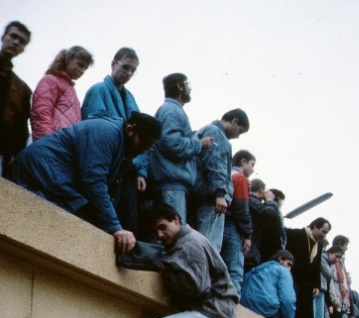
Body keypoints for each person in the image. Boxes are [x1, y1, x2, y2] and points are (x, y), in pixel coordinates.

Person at [13, 112, 161, 254]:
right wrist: (115, 227)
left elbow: (108, 192)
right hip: (41, 166)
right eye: (144, 144)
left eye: (148, 148)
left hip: (54, 171)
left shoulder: (123, 144)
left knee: (90, 218)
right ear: (130, 130)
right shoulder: (107, 132)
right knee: (80, 216)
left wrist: (114, 227)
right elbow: (94, 182)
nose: (143, 151)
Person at [81, 47, 147, 235]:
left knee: (128, 218)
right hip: (107, 164)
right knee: (103, 217)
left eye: (133, 70)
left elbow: (141, 134)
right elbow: (95, 125)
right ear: (113, 63)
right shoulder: (99, 90)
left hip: (127, 169)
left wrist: (141, 171)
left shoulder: (130, 98)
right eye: (125, 67)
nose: (128, 73)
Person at [147, 72, 213, 223]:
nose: (190, 89)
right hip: (171, 186)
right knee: (172, 237)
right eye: (188, 84)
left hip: (171, 185)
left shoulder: (171, 110)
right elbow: (171, 143)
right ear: (180, 86)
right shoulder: (172, 111)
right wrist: (198, 143)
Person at [192, 108, 250, 250]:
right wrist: (220, 194)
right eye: (240, 131)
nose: (238, 137)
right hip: (211, 200)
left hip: (202, 195)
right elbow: (215, 165)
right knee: (208, 247)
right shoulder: (217, 134)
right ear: (234, 121)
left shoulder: (206, 129)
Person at [30, 46, 94, 141]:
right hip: (53, 146)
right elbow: (41, 114)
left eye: (85, 68)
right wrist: (48, 144)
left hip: (66, 147)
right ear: (68, 59)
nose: (82, 71)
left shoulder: (70, 89)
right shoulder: (50, 80)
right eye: (80, 65)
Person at [285, 217, 331, 318]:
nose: (324, 235)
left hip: (305, 286)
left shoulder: (319, 246)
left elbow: (316, 267)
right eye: (323, 231)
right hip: (291, 280)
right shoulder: (295, 234)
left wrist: (316, 284)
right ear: (314, 227)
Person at [220, 149, 255, 294]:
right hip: (234, 228)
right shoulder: (240, 178)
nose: (253, 170)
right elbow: (241, 208)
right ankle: (231, 307)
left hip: (221, 222)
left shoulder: (226, 173)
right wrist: (247, 235)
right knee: (234, 271)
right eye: (252, 165)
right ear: (243, 161)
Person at [0, 20, 31, 179]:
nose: (16, 42)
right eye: (13, 36)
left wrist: (13, 152)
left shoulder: (21, 89)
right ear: (3, 36)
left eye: (22, 41)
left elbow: (21, 126)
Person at [240, 250, 297, 318]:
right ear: (280, 259)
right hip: (268, 312)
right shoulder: (283, 271)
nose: (289, 269)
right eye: (289, 264)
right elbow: (288, 300)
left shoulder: (255, 270)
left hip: (245, 308)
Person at [244, 179, 284, 272]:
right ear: (261, 190)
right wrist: (270, 200)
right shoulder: (253, 201)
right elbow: (271, 213)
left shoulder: (252, 202)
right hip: (250, 252)